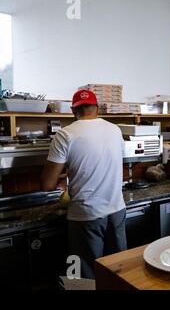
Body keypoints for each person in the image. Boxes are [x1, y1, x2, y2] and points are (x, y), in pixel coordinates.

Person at [41, 90, 127, 279]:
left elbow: (47, 184)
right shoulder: (114, 130)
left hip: (86, 215)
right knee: (117, 270)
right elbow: (101, 162)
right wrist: (70, 174)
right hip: (117, 210)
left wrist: (63, 179)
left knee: (84, 275)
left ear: (73, 110)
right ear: (96, 108)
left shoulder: (65, 134)